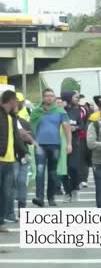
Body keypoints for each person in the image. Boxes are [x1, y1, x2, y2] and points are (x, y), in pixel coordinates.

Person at [30, 88, 72, 207]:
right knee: (39, 171)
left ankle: (51, 197)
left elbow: (66, 128)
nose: (49, 98)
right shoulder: (36, 111)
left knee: (53, 172)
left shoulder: (60, 111)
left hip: (55, 145)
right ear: (43, 97)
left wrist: (69, 143)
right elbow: (31, 125)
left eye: (51, 96)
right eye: (47, 96)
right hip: (39, 145)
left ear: (54, 98)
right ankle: (39, 197)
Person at [5, 93, 38, 223]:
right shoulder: (7, 121)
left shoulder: (23, 121)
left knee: (20, 184)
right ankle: (10, 212)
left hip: (20, 157)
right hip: (12, 157)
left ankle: (19, 211)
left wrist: (26, 137)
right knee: (12, 185)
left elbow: (30, 138)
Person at [0, 91, 28, 232]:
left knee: (6, 192)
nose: (17, 103)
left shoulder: (12, 117)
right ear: (10, 100)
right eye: (16, 100)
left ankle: (1, 222)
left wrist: (23, 152)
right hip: (1, 158)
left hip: (10, 159)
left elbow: (15, 138)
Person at [60, 91, 83, 203]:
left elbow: (81, 125)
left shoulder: (75, 111)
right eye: (75, 97)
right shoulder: (59, 111)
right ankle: (67, 192)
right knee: (63, 169)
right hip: (60, 143)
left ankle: (75, 189)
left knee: (73, 167)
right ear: (68, 98)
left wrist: (76, 127)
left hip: (73, 143)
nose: (77, 99)